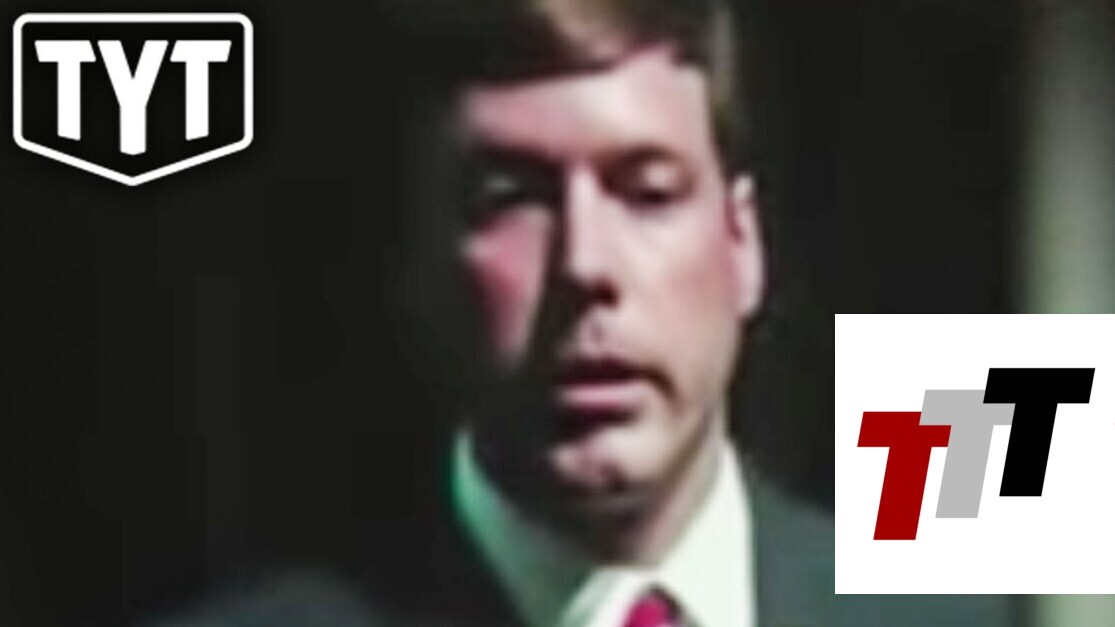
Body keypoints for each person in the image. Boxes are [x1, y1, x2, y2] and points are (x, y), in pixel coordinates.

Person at [159, 0, 1013, 625]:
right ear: (421, 263)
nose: (584, 265)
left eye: (646, 192)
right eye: (511, 199)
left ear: (742, 243)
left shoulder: (968, 612)